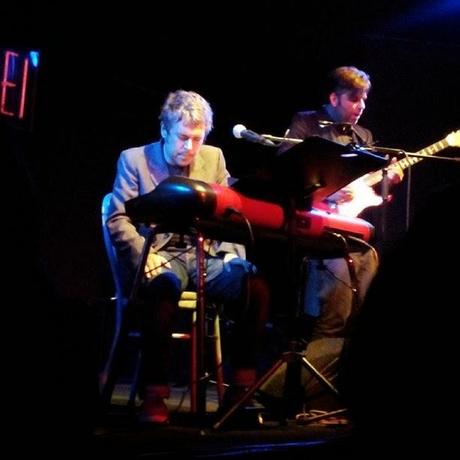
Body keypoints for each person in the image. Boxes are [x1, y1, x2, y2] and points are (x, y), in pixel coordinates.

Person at [106, 90, 270, 424]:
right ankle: (154, 394)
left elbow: (231, 217)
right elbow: (116, 218)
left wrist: (231, 257)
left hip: (205, 255)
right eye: (183, 137)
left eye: (197, 139)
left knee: (256, 287)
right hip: (159, 253)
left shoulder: (214, 158)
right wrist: (143, 255)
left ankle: (240, 392)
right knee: (162, 287)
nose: (189, 147)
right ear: (165, 130)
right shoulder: (134, 159)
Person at [279, 65, 403, 340]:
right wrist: (328, 191)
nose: (361, 106)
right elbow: (285, 172)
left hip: (347, 229)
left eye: (364, 99)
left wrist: (389, 178)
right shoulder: (306, 123)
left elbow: (372, 193)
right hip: (310, 225)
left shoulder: (364, 136)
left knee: (370, 260)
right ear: (334, 99)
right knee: (340, 273)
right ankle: (321, 349)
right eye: (354, 99)